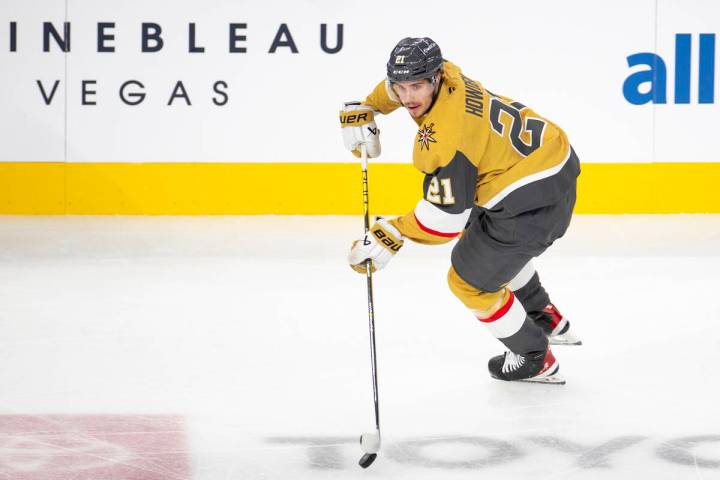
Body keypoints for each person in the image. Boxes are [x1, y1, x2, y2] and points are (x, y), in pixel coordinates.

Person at [339, 37, 582, 384]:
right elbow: (396, 89)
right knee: (485, 247)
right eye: (401, 86)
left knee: (468, 280)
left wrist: (392, 232)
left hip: (533, 205)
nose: (409, 97)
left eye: (417, 86)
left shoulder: (445, 138)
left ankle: (535, 358)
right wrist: (369, 107)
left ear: (434, 78)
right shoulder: (450, 73)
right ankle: (544, 316)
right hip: (547, 163)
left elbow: (445, 219)